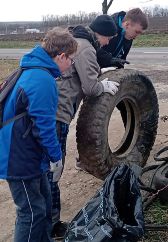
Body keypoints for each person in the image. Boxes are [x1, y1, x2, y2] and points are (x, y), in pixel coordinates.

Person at [0, 28, 78, 242]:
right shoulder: (42, 79)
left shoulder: (35, 69)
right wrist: (56, 157)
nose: (71, 65)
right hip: (19, 157)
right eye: (72, 59)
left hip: (30, 154)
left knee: (44, 204)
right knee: (30, 212)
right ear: (61, 56)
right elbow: (45, 126)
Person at [48, 15, 119, 238]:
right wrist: (102, 85)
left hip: (50, 108)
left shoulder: (76, 41)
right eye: (108, 38)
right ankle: (51, 225)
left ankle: (45, 220)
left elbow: (78, 74)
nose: (107, 43)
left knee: (48, 168)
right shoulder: (87, 48)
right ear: (100, 34)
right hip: (58, 115)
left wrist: (98, 74)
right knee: (54, 169)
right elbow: (90, 88)